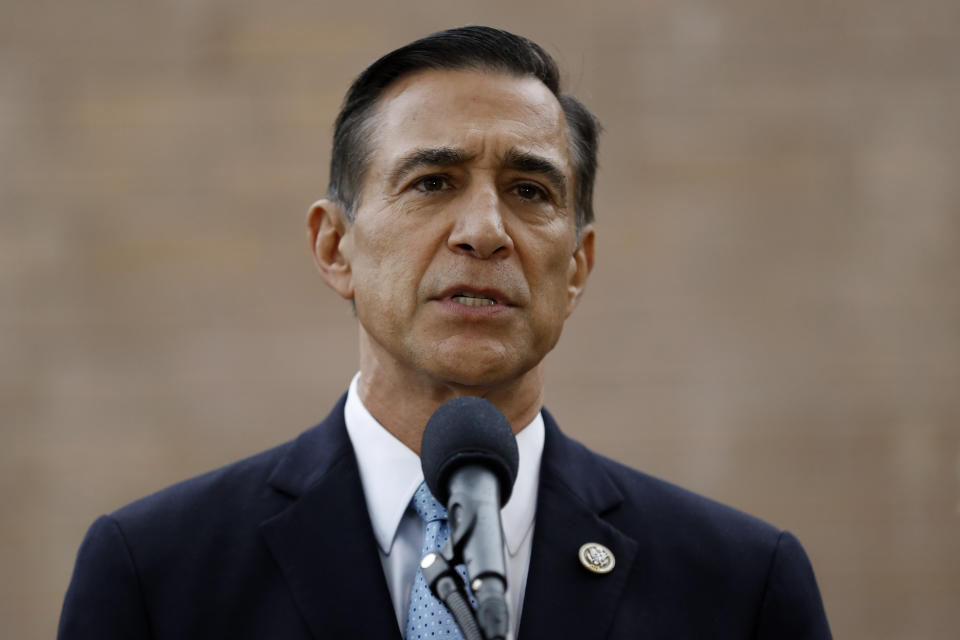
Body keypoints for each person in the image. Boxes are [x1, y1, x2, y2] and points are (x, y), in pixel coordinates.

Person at [58, 26, 832, 639]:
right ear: (336, 247)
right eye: (432, 183)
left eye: (530, 190)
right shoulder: (157, 572)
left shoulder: (738, 585)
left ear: (576, 267)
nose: (486, 232)